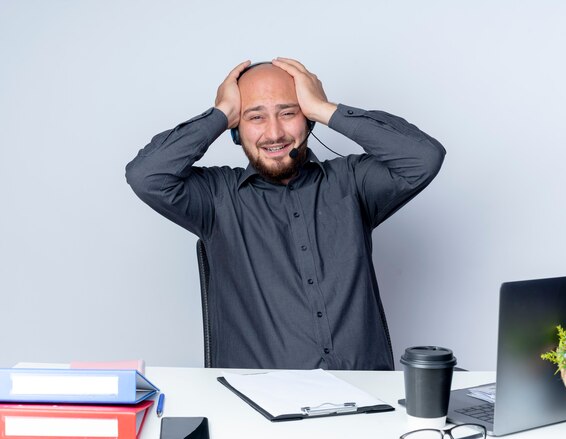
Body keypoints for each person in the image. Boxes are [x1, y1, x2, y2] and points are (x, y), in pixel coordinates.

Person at [126, 58, 446, 370]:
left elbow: (423, 158)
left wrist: (324, 108)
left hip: (368, 400)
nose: (275, 133)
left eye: (288, 113)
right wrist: (221, 114)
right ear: (236, 131)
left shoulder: (353, 183)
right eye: (256, 117)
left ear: (306, 119)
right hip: (258, 409)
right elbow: (146, 176)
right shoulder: (215, 197)